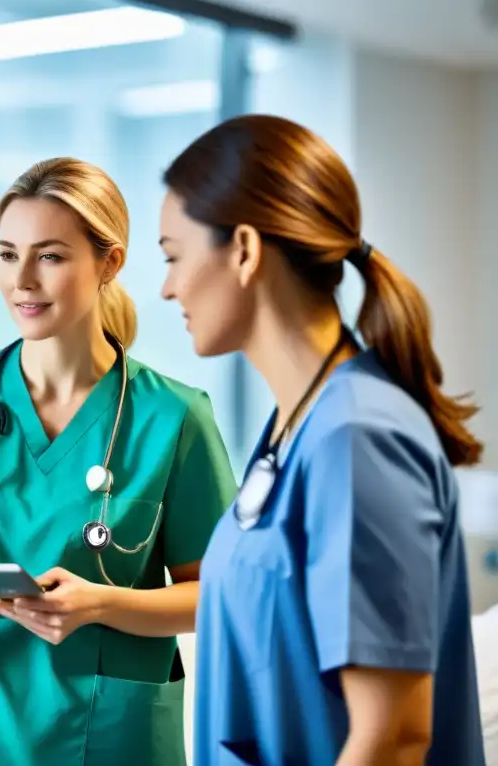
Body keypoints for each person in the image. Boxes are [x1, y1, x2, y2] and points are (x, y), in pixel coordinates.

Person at [0, 156, 238, 765]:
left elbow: (217, 595)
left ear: (109, 263)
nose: (23, 282)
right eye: (8, 254)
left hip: (107, 733)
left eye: (50, 256)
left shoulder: (173, 417)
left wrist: (100, 603)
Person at [158, 113, 486, 766]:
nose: (167, 287)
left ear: (245, 250)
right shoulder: (295, 427)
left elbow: (392, 738)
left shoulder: (356, 436)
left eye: (173, 256)